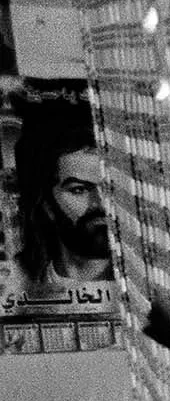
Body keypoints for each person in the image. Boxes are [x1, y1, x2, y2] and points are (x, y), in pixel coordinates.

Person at [12, 113, 112, 293]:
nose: (100, 203)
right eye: (79, 190)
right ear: (47, 205)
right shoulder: (16, 282)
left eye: (108, 189)